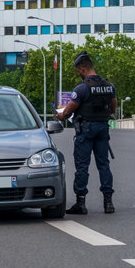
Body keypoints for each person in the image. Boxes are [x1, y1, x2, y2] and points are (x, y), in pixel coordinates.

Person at [57, 51, 117, 214]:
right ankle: (108, 203)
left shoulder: (82, 88)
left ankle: (81, 203)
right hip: (103, 129)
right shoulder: (109, 86)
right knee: (103, 165)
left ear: (82, 69)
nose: (79, 74)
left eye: (78, 71)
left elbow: (69, 111)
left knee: (82, 166)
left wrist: (61, 115)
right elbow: (113, 107)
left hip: (85, 130)